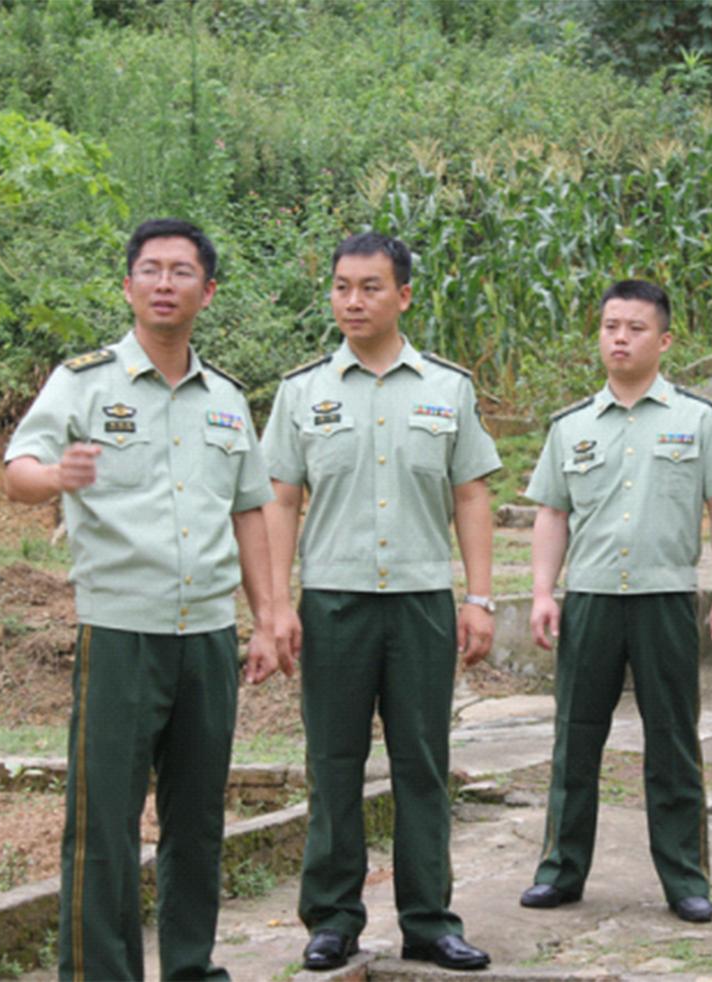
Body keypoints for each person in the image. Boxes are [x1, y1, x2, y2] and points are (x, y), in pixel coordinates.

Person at [2, 218, 288, 981]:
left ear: (209, 290)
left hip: (207, 638)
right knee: (105, 825)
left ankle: (191, 967)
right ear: (127, 285)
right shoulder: (84, 380)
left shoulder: (227, 399)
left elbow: (252, 509)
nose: (166, 284)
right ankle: (100, 972)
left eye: (182, 271)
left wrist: (267, 617)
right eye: (151, 270)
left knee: (197, 821)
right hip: (121, 633)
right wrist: (55, 478)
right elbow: (17, 467)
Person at [262, 231, 498, 972]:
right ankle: (333, 919)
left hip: (424, 601)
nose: (352, 300)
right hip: (332, 602)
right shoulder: (303, 391)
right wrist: (276, 604)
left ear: (404, 295)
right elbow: (279, 500)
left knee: (423, 764)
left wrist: (480, 597)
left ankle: (430, 920)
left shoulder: (447, 388)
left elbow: (471, 494)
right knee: (333, 763)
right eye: (340, 286)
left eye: (369, 287)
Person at [517, 279, 712, 924]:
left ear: (664, 340)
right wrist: (543, 591)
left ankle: (685, 879)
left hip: (665, 599)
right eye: (610, 326)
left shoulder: (697, 419)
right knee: (574, 740)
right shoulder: (571, 427)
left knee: (673, 740)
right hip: (590, 598)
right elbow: (551, 512)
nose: (619, 338)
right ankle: (560, 870)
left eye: (635, 328)